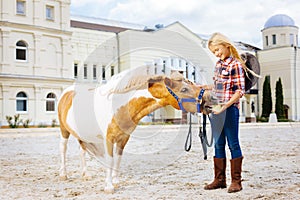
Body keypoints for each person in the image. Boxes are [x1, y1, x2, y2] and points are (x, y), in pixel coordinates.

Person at [204, 32, 245, 193]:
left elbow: (239, 91)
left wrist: (225, 106)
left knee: (233, 143)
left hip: (229, 110)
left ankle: (236, 181)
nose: (216, 54)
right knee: (218, 143)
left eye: (217, 50)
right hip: (217, 110)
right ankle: (219, 179)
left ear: (226, 45)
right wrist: (203, 88)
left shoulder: (235, 64)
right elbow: (217, 87)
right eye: (213, 52)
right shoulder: (218, 65)